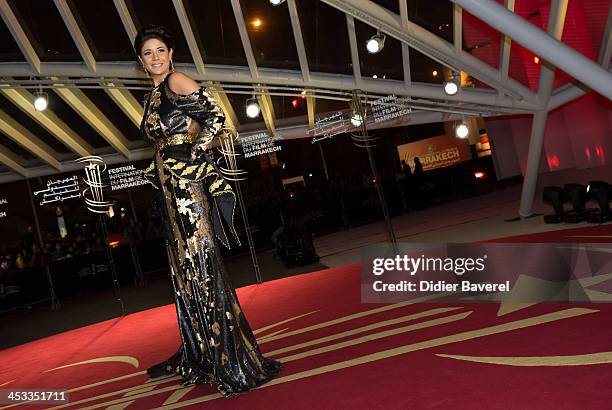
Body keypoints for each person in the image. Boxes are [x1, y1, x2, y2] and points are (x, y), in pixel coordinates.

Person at [135, 24, 281, 396]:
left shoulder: (177, 80)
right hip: (169, 191)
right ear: (141, 60)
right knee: (183, 269)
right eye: (148, 53)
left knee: (200, 262)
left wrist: (195, 151)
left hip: (187, 189)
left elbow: (217, 117)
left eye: (160, 50)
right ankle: (200, 349)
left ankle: (229, 357)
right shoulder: (152, 96)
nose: (155, 57)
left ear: (170, 53)